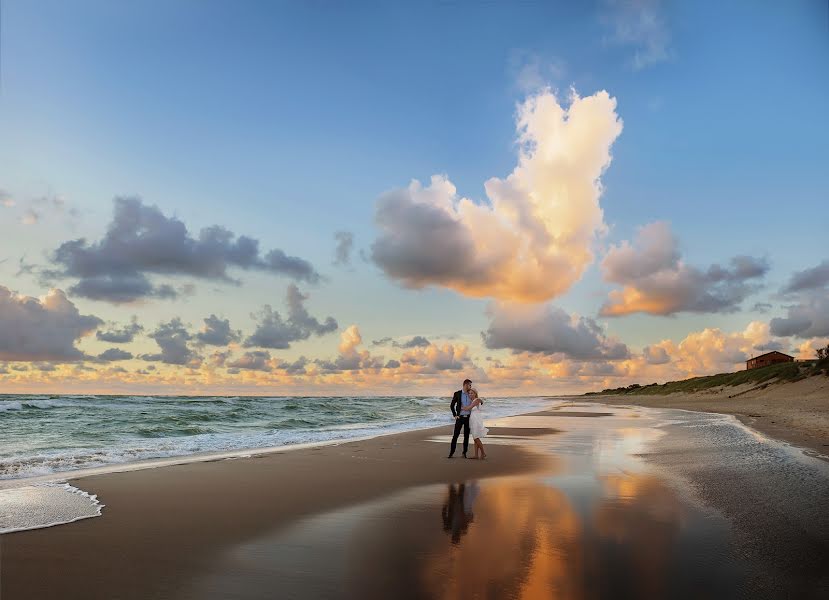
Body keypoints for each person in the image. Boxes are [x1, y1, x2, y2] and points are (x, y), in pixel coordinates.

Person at [447, 378, 473, 458]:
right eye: (469, 385)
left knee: (466, 436)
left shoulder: (471, 394)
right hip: (460, 418)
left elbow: (475, 401)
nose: (470, 386)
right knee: (455, 435)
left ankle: (464, 453)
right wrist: (455, 415)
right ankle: (451, 452)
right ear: (465, 385)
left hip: (468, 418)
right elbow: (452, 405)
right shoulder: (457, 393)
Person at [466, 389, 488, 459]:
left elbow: (469, 408)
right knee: (475, 438)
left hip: (476, 420)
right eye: (469, 393)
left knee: (476, 437)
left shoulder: (477, 400)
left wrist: (460, 408)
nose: (470, 394)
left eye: (472, 393)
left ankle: (483, 453)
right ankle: (476, 455)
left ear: (475, 393)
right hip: (473, 420)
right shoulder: (473, 401)